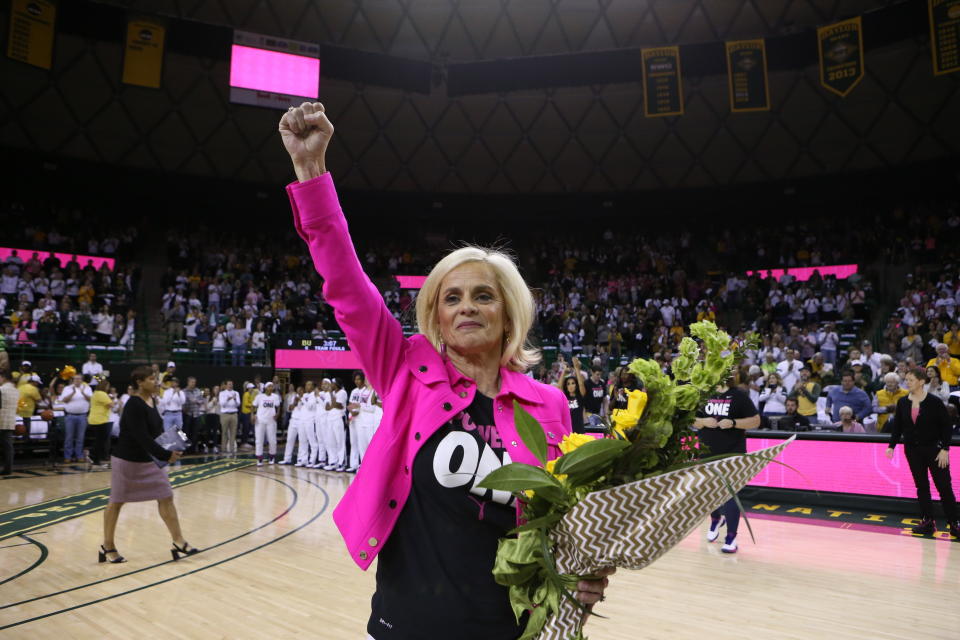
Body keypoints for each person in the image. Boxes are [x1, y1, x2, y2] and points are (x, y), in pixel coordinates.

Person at [280, 101, 610, 639]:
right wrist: (312, 173)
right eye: (451, 297)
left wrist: (584, 571)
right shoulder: (406, 369)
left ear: (509, 314)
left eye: (484, 295)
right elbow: (346, 286)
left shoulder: (548, 405)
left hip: (513, 626)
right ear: (436, 315)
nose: (467, 307)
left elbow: (562, 518)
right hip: (409, 621)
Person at [100, 366, 199, 564]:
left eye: (156, 379)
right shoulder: (133, 404)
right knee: (117, 502)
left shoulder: (152, 400)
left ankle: (178, 541)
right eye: (152, 379)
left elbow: (157, 430)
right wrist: (165, 454)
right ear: (140, 382)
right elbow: (142, 437)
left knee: (166, 496)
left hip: (148, 461)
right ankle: (107, 546)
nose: (156, 382)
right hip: (126, 461)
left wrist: (177, 443)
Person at [886, 367, 959, 538]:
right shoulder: (903, 402)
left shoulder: (934, 401)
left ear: (921, 381)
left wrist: (945, 449)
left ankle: (954, 524)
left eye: (910, 380)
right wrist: (891, 445)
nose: (907, 383)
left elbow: (946, 427)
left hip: (935, 450)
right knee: (922, 487)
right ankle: (928, 522)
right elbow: (897, 426)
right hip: (912, 450)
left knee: (944, 487)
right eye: (907, 380)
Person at [693, 373, 761, 553]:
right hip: (707, 452)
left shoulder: (739, 395)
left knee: (731, 495)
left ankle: (731, 537)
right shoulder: (703, 394)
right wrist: (702, 421)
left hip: (733, 453)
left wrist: (733, 422)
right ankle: (716, 519)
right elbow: (691, 419)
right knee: (709, 494)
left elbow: (755, 421)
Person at [59, 374, 92, 464]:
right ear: (72, 380)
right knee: (69, 437)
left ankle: (79, 455)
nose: (77, 380)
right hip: (70, 415)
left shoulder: (87, 388)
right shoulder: (67, 388)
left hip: (82, 415)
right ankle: (68, 456)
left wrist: (83, 393)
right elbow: (64, 400)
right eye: (76, 379)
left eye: (79, 379)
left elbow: (91, 399)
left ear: (82, 380)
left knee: (80, 437)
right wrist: (73, 393)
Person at [87, 378, 115, 468]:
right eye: (107, 386)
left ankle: (94, 457)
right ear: (104, 386)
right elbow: (111, 405)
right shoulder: (102, 394)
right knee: (101, 441)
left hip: (95, 419)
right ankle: (94, 458)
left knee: (99, 440)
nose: (108, 388)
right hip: (100, 420)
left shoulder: (95, 393)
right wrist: (112, 399)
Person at [322, 378, 348, 471]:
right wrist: (333, 403)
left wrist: (331, 397)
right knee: (331, 441)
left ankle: (341, 463)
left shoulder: (342, 392)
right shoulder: (331, 393)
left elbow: (338, 405)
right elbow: (327, 407)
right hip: (330, 419)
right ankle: (333, 461)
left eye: (332, 383)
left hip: (339, 418)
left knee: (340, 441)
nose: (330, 385)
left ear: (336, 384)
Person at [252, 381, 281, 466]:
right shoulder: (259, 396)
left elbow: (278, 406)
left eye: (272, 387)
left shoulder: (275, 397)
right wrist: (252, 415)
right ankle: (259, 458)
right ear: (266, 388)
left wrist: (278, 414)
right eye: (269, 386)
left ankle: (272, 456)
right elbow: (253, 406)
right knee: (259, 440)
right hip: (260, 420)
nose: (271, 388)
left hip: (271, 421)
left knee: (272, 440)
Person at [555, 358, 587, 434]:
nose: (571, 386)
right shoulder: (565, 397)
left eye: (573, 383)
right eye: (568, 384)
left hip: (579, 430)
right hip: (567, 430)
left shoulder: (580, 396)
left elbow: (581, 384)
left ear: (576, 385)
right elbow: (558, 388)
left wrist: (577, 368)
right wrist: (564, 371)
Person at [0, 368, 17, 475]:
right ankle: (8, 469)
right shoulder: (15, 390)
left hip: (0, 421)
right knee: (8, 447)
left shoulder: (1, 389)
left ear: (2, 377)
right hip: (10, 421)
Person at [218, 380, 240, 455]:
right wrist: (228, 399)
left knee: (233, 432)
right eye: (229, 384)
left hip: (234, 414)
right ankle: (223, 449)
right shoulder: (222, 393)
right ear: (226, 385)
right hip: (225, 414)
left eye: (231, 384)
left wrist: (235, 399)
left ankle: (232, 449)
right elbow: (222, 404)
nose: (230, 385)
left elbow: (238, 404)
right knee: (224, 432)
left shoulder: (236, 393)